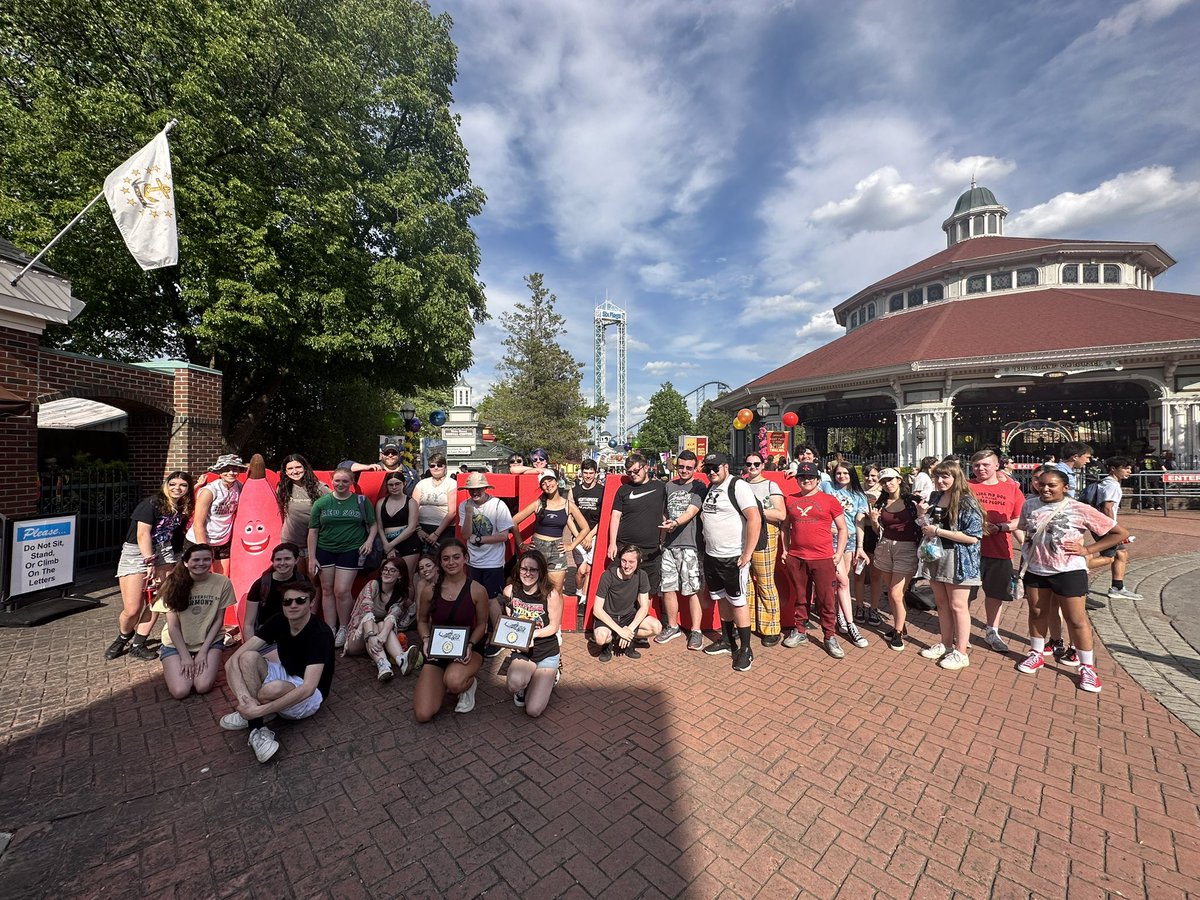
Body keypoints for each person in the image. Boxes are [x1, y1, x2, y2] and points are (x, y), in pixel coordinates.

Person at [1015, 467, 1128, 693]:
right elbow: (1026, 532)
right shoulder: (1029, 504)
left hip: (1068, 570)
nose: (1045, 489)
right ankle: (1036, 653)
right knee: (1037, 612)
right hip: (1037, 569)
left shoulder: (1080, 508)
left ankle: (1087, 667)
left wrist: (1088, 549)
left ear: (1065, 488)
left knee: (1075, 619)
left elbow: (1119, 533)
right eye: (1042, 484)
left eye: (1052, 485)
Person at [221, 580, 335, 763]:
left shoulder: (320, 633)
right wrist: (245, 700)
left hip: (310, 696)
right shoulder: (279, 620)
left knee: (270, 691)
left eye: (300, 600)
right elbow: (232, 661)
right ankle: (256, 722)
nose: (293, 605)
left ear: (311, 602)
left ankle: (256, 719)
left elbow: (308, 688)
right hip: (286, 673)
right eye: (287, 601)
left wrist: (258, 711)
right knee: (247, 657)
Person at [107, 470, 194, 662]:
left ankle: (138, 643)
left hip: (165, 551)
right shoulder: (151, 504)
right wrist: (149, 561)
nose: (177, 488)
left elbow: (177, 535)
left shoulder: (183, 507)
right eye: (173, 484)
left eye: (183, 485)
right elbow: (142, 535)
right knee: (132, 608)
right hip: (138, 552)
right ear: (166, 485)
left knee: (158, 600)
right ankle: (123, 636)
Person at [698, 453, 763, 672]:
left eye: (716, 468)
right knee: (721, 598)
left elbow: (754, 518)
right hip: (712, 555)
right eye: (708, 469)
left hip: (733, 556)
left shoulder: (738, 486)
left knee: (738, 601)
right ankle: (727, 640)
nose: (712, 472)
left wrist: (747, 553)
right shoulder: (711, 488)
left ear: (725, 467)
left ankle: (745, 649)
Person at [916, 460, 983, 671]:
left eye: (945, 476)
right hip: (935, 554)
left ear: (956, 477)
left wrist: (938, 532)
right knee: (941, 604)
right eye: (937, 476)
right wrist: (921, 515)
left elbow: (973, 536)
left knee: (958, 605)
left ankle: (961, 651)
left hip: (957, 557)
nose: (940, 480)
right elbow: (927, 526)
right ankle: (945, 644)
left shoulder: (966, 502)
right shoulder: (935, 497)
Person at [413, 540, 490, 721]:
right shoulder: (429, 591)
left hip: (467, 650)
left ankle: (467, 684)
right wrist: (425, 639)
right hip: (437, 650)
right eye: (446, 558)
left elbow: (482, 624)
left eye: (456, 557)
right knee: (423, 714)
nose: (451, 562)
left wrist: (470, 645)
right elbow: (422, 620)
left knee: (454, 682)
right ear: (440, 562)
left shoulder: (477, 590)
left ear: (465, 558)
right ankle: (444, 676)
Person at [781, 461, 848, 658]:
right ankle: (800, 630)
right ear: (797, 479)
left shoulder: (829, 500)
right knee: (800, 597)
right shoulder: (790, 500)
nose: (806, 480)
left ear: (818, 480)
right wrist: (786, 550)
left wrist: (838, 552)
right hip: (797, 557)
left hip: (823, 558)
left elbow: (843, 529)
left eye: (810, 477)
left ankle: (829, 635)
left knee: (826, 599)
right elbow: (785, 527)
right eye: (802, 477)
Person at [150, 544, 236, 699]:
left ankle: (202, 663)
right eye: (196, 560)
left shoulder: (222, 582)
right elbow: (173, 626)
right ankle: (174, 667)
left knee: (202, 686)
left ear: (212, 561)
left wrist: (203, 652)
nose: (201, 563)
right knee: (180, 691)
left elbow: (218, 621)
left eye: (206, 559)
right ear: (185, 562)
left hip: (209, 641)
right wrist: (185, 656)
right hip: (176, 643)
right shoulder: (172, 584)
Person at [307, 466, 378, 649]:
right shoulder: (321, 503)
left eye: (345, 481)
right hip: (325, 548)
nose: (341, 484)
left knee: (342, 591)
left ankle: (344, 627)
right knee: (327, 589)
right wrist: (312, 557)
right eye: (337, 480)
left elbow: (373, 524)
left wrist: (369, 541)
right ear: (332, 481)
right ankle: (330, 628)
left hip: (351, 549)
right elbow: (313, 531)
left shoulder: (360, 501)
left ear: (352, 483)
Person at [967, 449, 1026, 653]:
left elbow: (1020, 520)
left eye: (985, 465)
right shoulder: (966, 486)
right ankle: (962, 629)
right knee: (964, 594)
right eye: (976, 465)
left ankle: (992, 630)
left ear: (996, 466)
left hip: (999, 549)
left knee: (995, 594)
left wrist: (1001, 527)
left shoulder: (1011, 490)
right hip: (968, 550)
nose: (980, 469)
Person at [500, 549, 563, 715]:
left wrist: (532, 634)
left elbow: (553, 627)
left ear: (541, 571)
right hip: (524, 652)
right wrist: (512, 641)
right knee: (514, 683)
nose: (527, 573)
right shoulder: (510, 591)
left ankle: (554, 671)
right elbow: (510, 620)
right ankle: (523, 686)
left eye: (533, 569)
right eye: (524, 568)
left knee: (533, 710)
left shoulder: (551, 594)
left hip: (546, 651)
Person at [655, 451, 707, 650]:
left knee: (692, 589)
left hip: (690, 546)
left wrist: (674, 523)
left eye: (689, 467)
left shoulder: (698, 486)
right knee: (668, 587)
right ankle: (672, 626)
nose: (684, 471)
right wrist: (663, 537)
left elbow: (692, 511)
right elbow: (664, 512)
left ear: (695, 468)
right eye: (681, 466)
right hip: (669, 545)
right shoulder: (668, 486)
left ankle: (696, 630)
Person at [459, 472, 517, 644]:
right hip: (473, 561)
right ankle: (481, 632)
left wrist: (479, 539)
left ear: (485, 488)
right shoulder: (464, 506)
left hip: (493, 561)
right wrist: (469, 514)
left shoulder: (498, 505)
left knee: (492, 599)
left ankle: (500, 635)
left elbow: (504, 535)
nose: (475, 492)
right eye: (471, 489)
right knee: (475, 597)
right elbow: (465, 534)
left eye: (478, 489)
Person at [869, 467, 921, 651]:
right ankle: (901, 626)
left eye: (891, 480)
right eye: (884, 481)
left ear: (899, 479)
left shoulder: (911, 501)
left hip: (906, 548)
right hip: (885, 547)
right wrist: (874, 521)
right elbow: (878, 531)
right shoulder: (881, 503)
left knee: (895, 593)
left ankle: (898, 632)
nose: (888, 484)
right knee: (893, 592)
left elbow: (923, 522)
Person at [513, 472, 587, 598]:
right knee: (532, 589)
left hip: (557, 550)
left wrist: (571, 546)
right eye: (543, 483)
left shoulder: (568, 505)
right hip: (537, 548)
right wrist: (521, 544)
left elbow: (585, 528)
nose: (548, 485)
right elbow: (513, 521)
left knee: (556, 592)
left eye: (550, 480)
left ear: (557, 481)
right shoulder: (538, 504)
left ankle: (554, 617)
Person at [345, 559, 421, 681]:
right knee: (374, 624)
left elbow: (392, 617)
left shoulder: (400, 595)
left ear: (400, 575)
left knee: (383, 624)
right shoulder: (373, 585)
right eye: (385, 569)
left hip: (377, 641)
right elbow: (367, 612)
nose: (387, 572)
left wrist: (382, 636)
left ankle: (398, 661)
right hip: (356, 638)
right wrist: (370, 636)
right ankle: (383, 662)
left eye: (392, 570)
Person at [740, 452, 786, 647]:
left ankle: (771, 628)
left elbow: (781, 514)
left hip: (765, 539)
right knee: (746, 584)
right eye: (749, 463)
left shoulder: (770, 486)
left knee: (765, 583)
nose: (752, 467)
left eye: (756, 463)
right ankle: (747, 624)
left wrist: (755, 510)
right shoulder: (740, 484)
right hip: (742, 539)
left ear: (763, 465)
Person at [607, 453, 667, 599]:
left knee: (649, 592)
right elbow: (615, 516)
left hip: (651, 550)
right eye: (629, 472)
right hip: (625, 548)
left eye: (636, 471)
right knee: (617, 586)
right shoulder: (624, 490)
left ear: (645, 467)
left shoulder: (661, 488)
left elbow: (665, 515)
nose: (632, 475)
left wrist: (663, 541)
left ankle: (643, 620)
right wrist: (612, 543)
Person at [1085, 456, 1143, 601]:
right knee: (1107, 558)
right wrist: (1113, 528)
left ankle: (1117, 587)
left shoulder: (1104, 482)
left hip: (1101, 525)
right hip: (1106, 527)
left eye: (1129, 468)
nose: (1128, 471)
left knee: (1121, 554)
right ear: (1113, 469)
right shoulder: (1112, 485)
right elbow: (1107, 507)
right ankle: (1072, 569)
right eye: (1125, 468)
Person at [592, 545, 662, 662]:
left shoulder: (641, 575)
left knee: (656, 627)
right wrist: (620, 631)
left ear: (639, 562)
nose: (626, 565)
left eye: (631, 562)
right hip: (609, 617)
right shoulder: (608, 576)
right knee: (600, 638)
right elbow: (597, 609)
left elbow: (644, 606)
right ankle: (608, 645)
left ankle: (628, 640)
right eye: (624, 561)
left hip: (628, 616)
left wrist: (629, 630)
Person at [827, 462, 871, 649]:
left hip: (850, 539)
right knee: (841, 580)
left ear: (851, 474)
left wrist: (860, 546)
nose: (842, 476)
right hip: (830, 538)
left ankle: (842, 615)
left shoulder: (859, 495)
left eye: (845, 473)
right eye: (838, 473)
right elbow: (808, 476)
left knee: (844, 580)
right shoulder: (827, 486)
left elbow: (859, 522)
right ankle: (844, 618)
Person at [183, 454, 246, 564]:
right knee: (198, 578)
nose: (231, 473)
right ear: (219, 472)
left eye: (235, 469)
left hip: (223, 542)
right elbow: (198, 524)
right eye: (226, 469)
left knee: (222, 579)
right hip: (199, 541)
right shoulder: (210, 491)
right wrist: (204, 550)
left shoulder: (239, 487)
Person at [376, 470, 422, 615]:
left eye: (397, 484)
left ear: (403, 484)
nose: (394, 487)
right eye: (391, 485)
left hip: (408, 543)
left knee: (406, 578)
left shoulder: (411, 502)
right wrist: (387, 546)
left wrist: (391, 544)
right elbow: (379, 526)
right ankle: (391, 610)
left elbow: (412, 527)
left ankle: (409, 611)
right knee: (388, 578)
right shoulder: (381, 503)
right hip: (387, 543)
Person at [244, 542, 310, 637]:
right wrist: (250, 648)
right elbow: (248, 624)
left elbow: (309, 612)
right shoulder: (261, 585)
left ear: (296, 560)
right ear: (273, 562)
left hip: (297, 631)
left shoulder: (303, 581)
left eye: (287, 559)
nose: (282, 563)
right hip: (267, 634)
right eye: (278, 559)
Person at [566, 459, 604, 611]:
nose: (588, 476)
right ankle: (578, 592)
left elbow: (604, 517)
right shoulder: (573, 491)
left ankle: (584, 599)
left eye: (591, 473)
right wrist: (579, 536)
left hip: (594, 535)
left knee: (589, 569)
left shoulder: (602, 490)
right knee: (581, 570)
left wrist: (590, 535)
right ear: (581, 473)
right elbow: (568, 516)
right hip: (578, 535)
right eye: (585, 473)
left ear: (596, 473)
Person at [276, 454, 331, 554]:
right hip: (290, 543)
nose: (295, 471)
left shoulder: (320, 488)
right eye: (290, 468)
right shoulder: (283, 489)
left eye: (298, 467)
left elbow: (337, 504)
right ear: (285, 471)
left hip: (315, 544)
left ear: (305, 468)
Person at [855, 463, 884, 626]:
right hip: (860, 535)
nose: (870, 478)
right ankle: (859, 606)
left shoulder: (884, 493)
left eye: (874, 475)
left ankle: (874, 608)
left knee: (875, 575)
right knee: (858, 574)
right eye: (867, 475)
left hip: (876, 536)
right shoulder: (858, 492)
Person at [412, 452, 459, 548]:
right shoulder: (421, 484)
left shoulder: (452, 484)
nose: (436, 468)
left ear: (445, 467)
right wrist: (418, 529)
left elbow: (453, 512)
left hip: (445, 529)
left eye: (439, 465)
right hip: (421, 528)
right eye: (432, 466)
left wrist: (436, 534)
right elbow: (413, 507)